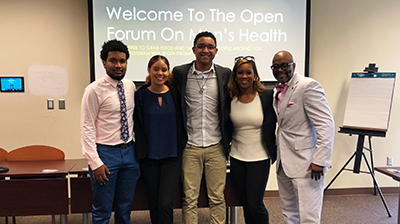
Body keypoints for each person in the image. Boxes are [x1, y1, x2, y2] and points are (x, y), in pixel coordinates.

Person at [172, 31, 231, 224]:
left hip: (216, 146)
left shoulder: (224, 74)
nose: (205, 50)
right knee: (189, 198)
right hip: (190, 146)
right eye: (201, 46)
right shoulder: (180, 73)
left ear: (215, 50)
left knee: (217, 197)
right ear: (193, 49)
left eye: (210, 47)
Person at [81, 39, 140, 224]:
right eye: (113, 60)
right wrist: (95, 162)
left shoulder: (130, 86)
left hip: (129, 153)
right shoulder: (93, 90)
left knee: (125, 207)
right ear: (104, 62)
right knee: (102, 209)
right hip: (105, 154)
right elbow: (87, 126)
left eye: (122, 61)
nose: (118, 65)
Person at [271, 50, 334, 224]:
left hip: (307, 164)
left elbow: (326, 124)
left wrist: (320, 160)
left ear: (294, 65)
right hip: (284, 161)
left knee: (308, 216)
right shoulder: (276, 91)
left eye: (284, 65)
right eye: (275, 66)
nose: (280, 69)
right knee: (289, 213)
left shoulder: (308, 86)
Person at [134, 55, 187, 224]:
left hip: (172, 157)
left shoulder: (175, 93)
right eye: (155, 69)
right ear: (149, 70)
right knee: (154, 203)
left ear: (168, 72)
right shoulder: (140, 95)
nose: (160, 73)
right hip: (148, 158)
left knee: (165, 203)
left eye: (164, 69)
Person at [225, 56, 277, 224]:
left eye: (248, 73)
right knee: (246, 203)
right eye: (240, 73)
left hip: (260, 158)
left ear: (255, 75)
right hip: (237, 157)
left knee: (255, 204)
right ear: (235, 75)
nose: (244, 76)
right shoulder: (229, 98)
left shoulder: (267, 96)